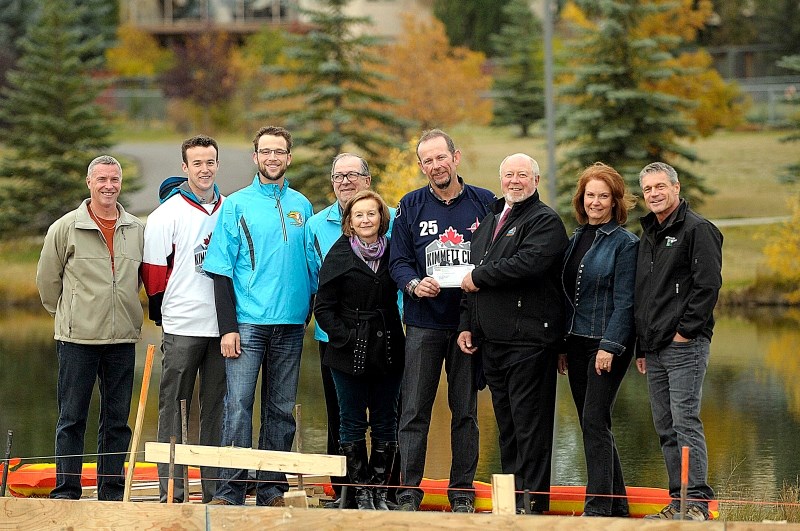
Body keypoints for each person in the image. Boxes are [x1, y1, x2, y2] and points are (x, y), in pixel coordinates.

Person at [203, 125, 313, 507]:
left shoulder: (302, 205)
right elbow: (220, 270)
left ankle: (271, 490)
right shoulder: (236, 204)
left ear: (288, 157)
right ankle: (230, 491)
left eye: (279, 151)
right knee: (238, 407)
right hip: (248, 324)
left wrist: (307, 311)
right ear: (255, 157)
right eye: (265, 151)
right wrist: (228, 328)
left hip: (291, 326)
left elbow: (311, 266)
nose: (272, 158)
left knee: (281, 411)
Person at [389, 129, 495, 513]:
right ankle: (408, 492)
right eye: (427, 161)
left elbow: (497, 258)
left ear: (456, 157)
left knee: (465, 410)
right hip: (423, 323)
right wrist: (414, 284)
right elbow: (397, 260)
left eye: (440, 157)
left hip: (468, 325)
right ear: (421, 166)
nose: (435, 166)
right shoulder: (410, 205)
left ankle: (462, 492)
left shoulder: (485, 203)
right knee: (414, 409)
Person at [457, 153, 567, 514]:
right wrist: (467, 325)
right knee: (507, 427)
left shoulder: (545, 221)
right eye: (508, 175)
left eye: (523, 175)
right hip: (493, 341)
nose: (514, 181)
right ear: (500, 179)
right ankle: (512, 503)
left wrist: (480, 277)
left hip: (530, 342)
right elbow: (473, 274)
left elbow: (526, 264)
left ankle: (535, 506)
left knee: (530, 426)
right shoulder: (490, 219)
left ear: (536, 180)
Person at [36, 155, 144, 501]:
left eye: (114, 179)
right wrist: (68, 313)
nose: (109, 186)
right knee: (72, 418)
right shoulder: (65, 227)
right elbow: (47, 282)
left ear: (120, 183)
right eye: (102, 180)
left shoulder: (136, 229)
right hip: (77, 339)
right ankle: (67, 490)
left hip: (123, 338)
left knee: (117, 422)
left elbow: (140, 280)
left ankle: (110, 491)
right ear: (89, 183)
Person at [305, 153, 397, 508]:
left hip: (388, 345)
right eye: (358, 215)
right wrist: (344, 337)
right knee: (348, 421)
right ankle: (350, 492)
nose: (365, 219)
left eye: (370, 213)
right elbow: (321, 300)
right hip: (343, 348)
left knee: (387, 421)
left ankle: (380, 492)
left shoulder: (393, 245)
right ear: (349, 221)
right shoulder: (333, 247)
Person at [635, 162, 722, 521]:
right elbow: (645, 295)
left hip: (685, 344)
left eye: (660, 186)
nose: (654, 194)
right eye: (648, 190)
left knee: (685, 421)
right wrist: (642, 346)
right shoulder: (649, 233)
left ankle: (697, 504)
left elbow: (707, 287)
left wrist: (684, 333)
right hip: (654, 348)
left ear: (675, 187)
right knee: (666, 426)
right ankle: (678, 502)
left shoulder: (698, 229)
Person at [142, 135, 226, 503]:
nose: (204, 169)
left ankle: (214, 492)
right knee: (173, 408)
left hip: (223, 329)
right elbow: (154, 276)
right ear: (184, 168)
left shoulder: (230, 208)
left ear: (217, 164)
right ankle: (172, 492)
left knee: (216, 411)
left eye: (210, 162)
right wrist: (168, 312)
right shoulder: (166, 214)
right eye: (197, 163)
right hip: (182, 326)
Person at [557, 162, 638, 517]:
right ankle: (617, 504)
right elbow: (566, 297)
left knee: (593, 420)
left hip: (605, 344)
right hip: (574, 343)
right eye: (591, 195)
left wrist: (610, 345)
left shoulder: (626, 243)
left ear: (615, 201)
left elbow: (626, 301)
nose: (596, 202)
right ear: (582, 198)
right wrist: (561, 346)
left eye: (604, 196)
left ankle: (597, 508)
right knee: (594, 423)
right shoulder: (576, 239)